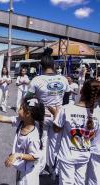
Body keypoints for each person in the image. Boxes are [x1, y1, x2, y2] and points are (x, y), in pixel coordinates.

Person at [25, 48, 70, 176]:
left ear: (41, 65)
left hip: (42, 117)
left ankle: (38, 171)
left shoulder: (36, 80)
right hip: (59, 116)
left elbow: (27, 99)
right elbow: (66, 100)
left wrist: (39, 107)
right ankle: (53, 170)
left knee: (42, 143)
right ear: (54, 65)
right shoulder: (63, 79)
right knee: (55, 144)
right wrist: (59, 110)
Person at [0, 98, 45, 185]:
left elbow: (35, 156)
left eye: (21, 108)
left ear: (28, 114)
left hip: (28, 175)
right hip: (22, 169)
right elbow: (3, 118)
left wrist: (17, 155)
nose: (18, 109)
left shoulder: (33, 136)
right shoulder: (21, 121)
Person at [49, 79, 100, 185]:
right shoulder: (97, 114)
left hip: (68, 154)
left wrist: (55, 114)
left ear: (81, 91)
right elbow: (93, 136)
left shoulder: (67, 109)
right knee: (80, 182)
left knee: (66, 182)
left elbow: (56, 129)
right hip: (84, 155)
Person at [86, 81, 100, 185]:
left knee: (93, 179)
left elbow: (89, 135)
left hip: (95, 150)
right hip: (95, 150)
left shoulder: (93, 112)